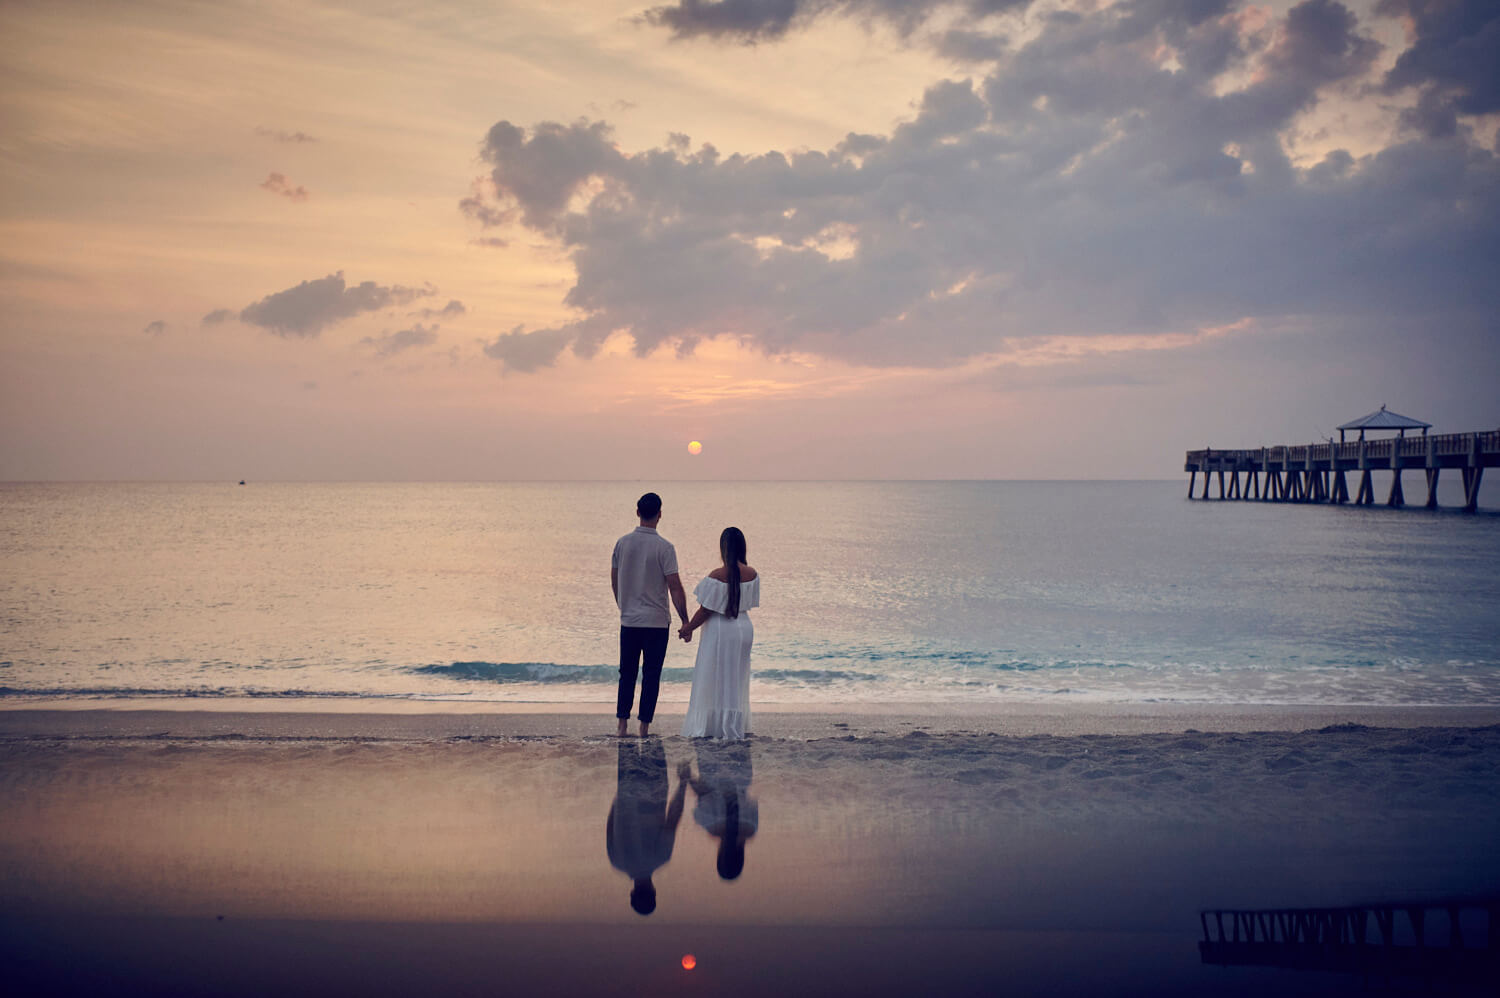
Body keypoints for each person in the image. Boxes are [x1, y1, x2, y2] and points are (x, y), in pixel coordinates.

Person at [611, 492, 690, 738]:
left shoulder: (622, 543)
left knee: (627, 673)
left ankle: (622, 725)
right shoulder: (665, 547)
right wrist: (685, 620)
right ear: (660, 514)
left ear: (637, 512)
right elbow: (674, 585)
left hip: (630, 620)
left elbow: (615, 579)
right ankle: (644, 727)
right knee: (651, 675)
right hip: (656, 622)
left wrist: (623, 605)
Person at [678, 527, 759, 740]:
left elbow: (706, 609)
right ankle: (732, 725)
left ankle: (713, 727)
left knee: (712, 677)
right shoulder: (752, 574)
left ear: (724, 548)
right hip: (744, 627)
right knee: (735, 679)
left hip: (722, 629)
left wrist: (688, 628)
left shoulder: (717, 575)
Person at [605, 738, 689, 916]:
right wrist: (619, 796)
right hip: (626, 789)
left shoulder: (661, 857)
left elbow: (673, 818)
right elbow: (610, 824)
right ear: (632, 893)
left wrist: (683, 783)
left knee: (651, 736)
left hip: (654, 790)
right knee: (627, 735)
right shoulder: (616, 861)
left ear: (654, 892)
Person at [683, 740, 758, 880]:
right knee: (706, 735)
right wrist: (687, 777)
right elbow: (703, 791)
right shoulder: (709, 824)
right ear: (719, 855)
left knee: (737, 734)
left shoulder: (751, 828)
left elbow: (749, 800)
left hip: (742, 774)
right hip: (713, 774)